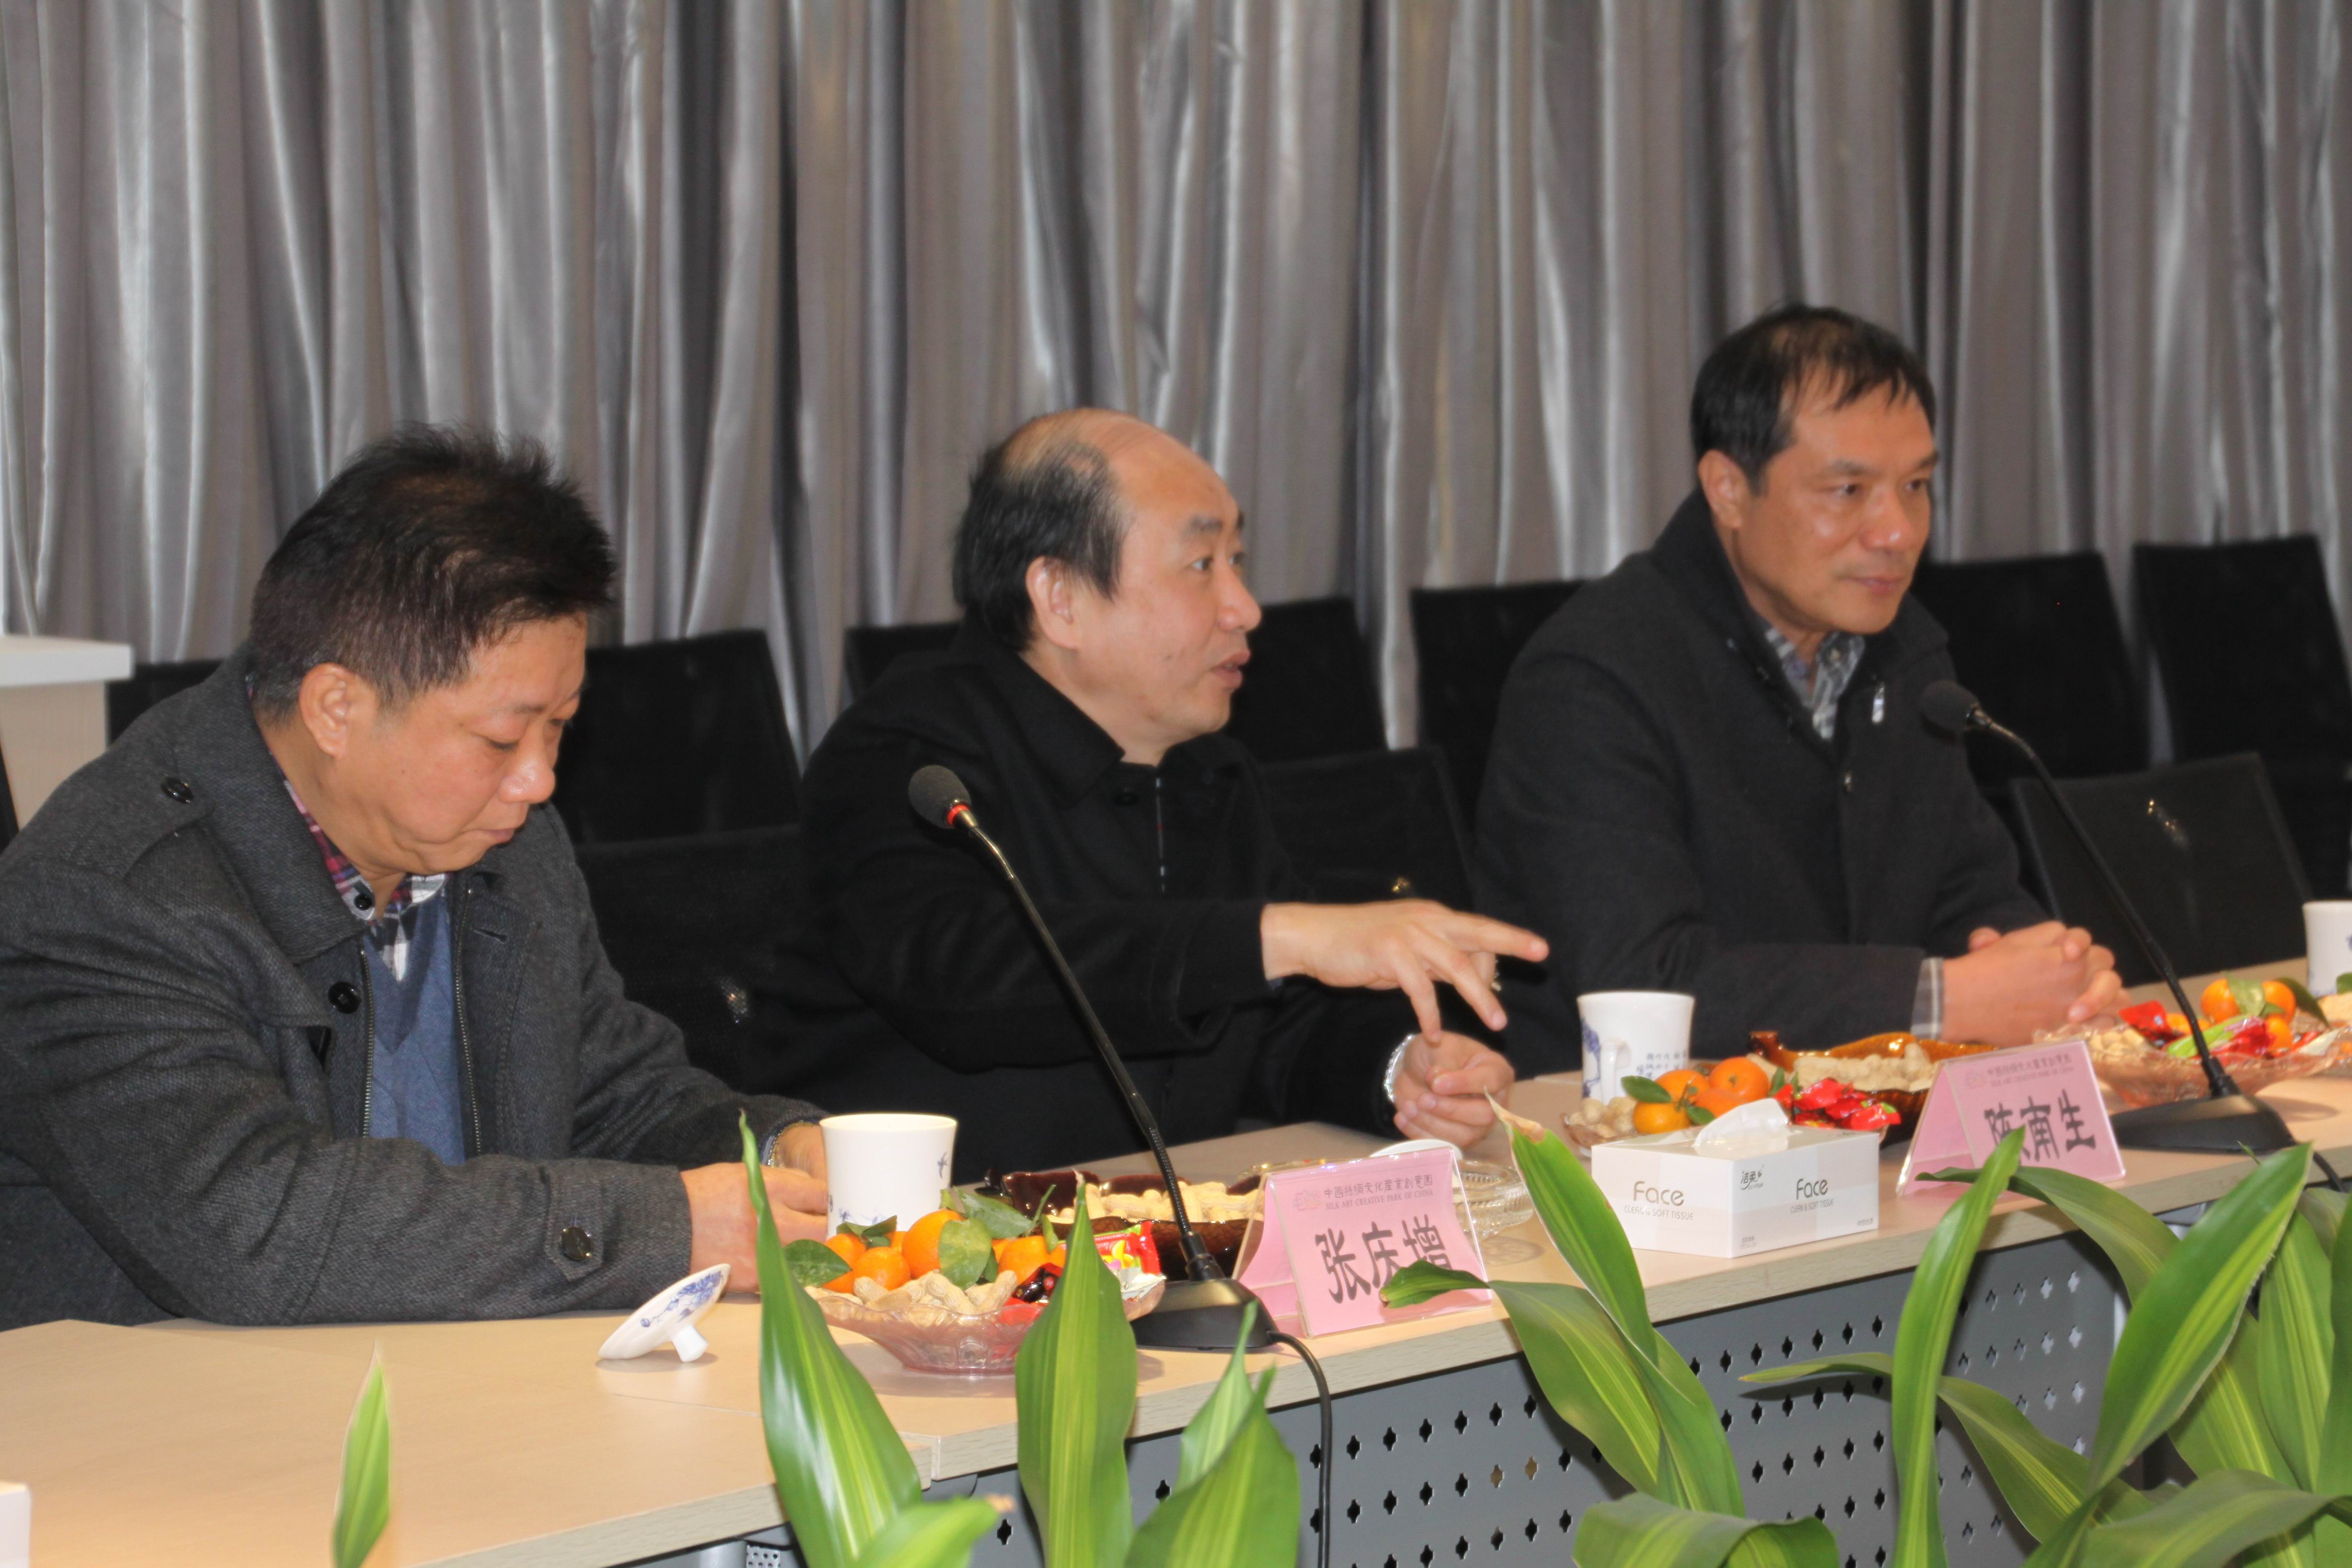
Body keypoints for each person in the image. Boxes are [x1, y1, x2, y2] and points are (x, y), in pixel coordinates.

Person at [0, 427, 829, 1330]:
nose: (540, 779)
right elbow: (258, 1231)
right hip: (168, 1407)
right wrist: (665, 1227)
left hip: (463, 1381)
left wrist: (775, 1153)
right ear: (337, 707)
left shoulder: (504, 845)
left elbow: (615, 1099)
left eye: (560, 725)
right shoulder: (102, 897)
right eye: (502, 739)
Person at [755, 409, 1548, 1179]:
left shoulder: (1208, 772)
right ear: (1060, 597)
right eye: (1202, 565)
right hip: (917, 1244)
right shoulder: (905, 755)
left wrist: (1401, 1071)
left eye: (1238, 561)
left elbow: (1265, 1030)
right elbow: (971, 979)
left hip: (1160, 1236)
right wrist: (1280, 937)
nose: (1245, 609)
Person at [1476, 304, 2121, 1072]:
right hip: (1635, 1128)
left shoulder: (1906, 654)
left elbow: (1965, 891)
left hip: (1855, 1110)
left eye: (1917, 485)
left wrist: (2051, 972)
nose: (1898, 531)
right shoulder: (1595, 676)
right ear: (1728, 489)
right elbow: (1644, 979)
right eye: (1848, 491)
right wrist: (1931, 1001)